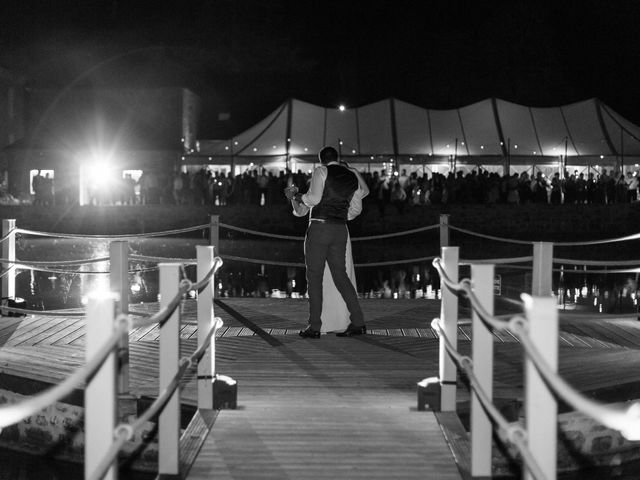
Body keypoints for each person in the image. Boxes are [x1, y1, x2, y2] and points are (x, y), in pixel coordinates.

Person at [285, 146, 368, 338]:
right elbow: (357, 208)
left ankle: (315, 326)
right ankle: (358, 322)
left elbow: (313, 199)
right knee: (341, 276)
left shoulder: (321, 171)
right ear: (337, 158)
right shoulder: (351, 176)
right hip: (340, 229)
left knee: (314, 278)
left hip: (320, 228)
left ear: (321, 160)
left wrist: (296, 196)